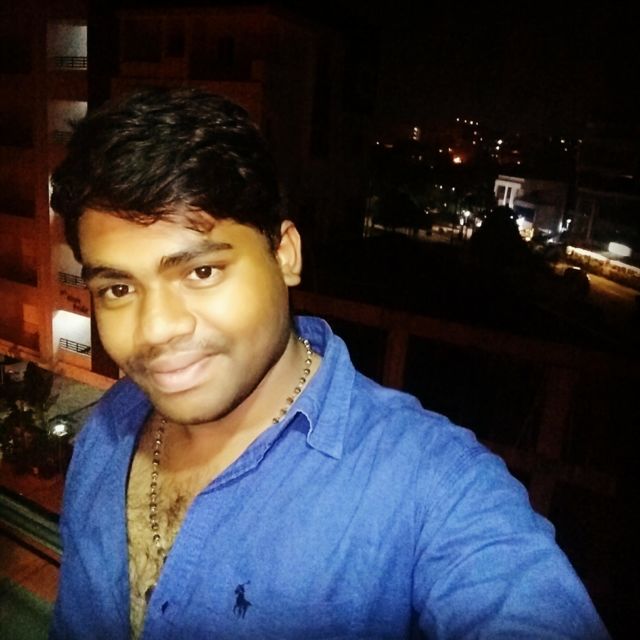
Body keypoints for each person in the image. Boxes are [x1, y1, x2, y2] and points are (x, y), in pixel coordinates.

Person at [49, 87, 609, 640]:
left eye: (201, 272)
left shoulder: (427, 482)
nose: (155, 330)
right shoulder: (108, 427)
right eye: (118, 288)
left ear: (285, 255)